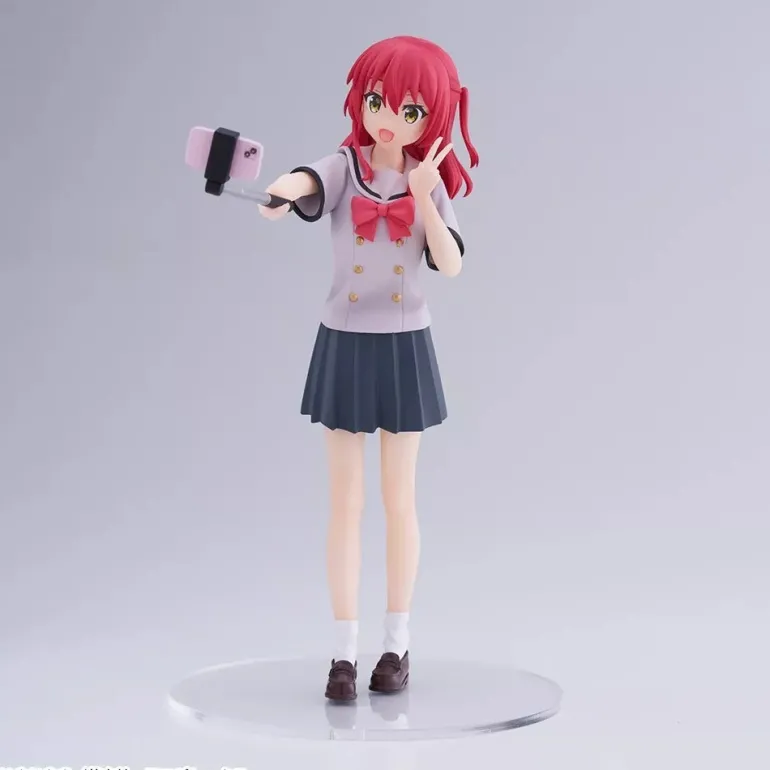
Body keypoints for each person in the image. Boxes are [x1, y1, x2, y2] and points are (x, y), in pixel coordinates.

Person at [258, 35, 479, 701]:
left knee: (399, 500)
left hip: (404, 344)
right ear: (361, 99)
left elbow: (451, 263)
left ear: (432, 118)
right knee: (345, 503)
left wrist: (423, 195)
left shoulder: (425, 179)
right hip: (346, 340)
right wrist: (280, 190)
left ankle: (397, 643)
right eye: (378, 101)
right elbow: (307, 180)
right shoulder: (345, 165)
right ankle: (343, 653)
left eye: (410, 111)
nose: (387, 119)